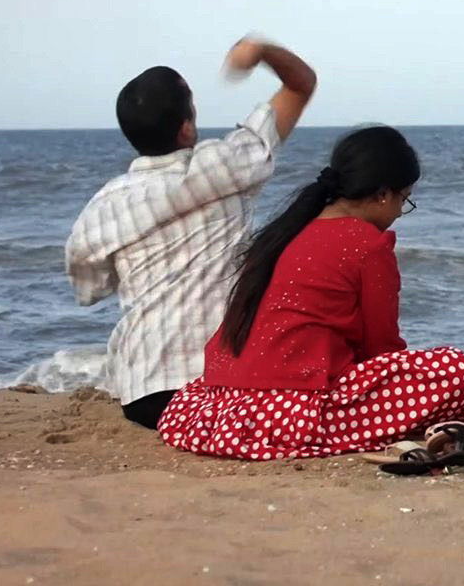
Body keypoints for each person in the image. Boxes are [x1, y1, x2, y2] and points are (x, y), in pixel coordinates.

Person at [157, 126, 464, 460]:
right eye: (403, 200)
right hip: (290, 409)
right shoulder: (369, 244)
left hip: (221, 406)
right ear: (383, 194)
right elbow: (381, 347)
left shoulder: (285, 232)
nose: (397, 214)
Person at [65, 36, 316, 429]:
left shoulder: (102, 207)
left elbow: (90, 290)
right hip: (221, 386)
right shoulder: (226, 166)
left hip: (143, 392)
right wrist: (261, 51)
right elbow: (300, 85)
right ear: (185, 130)